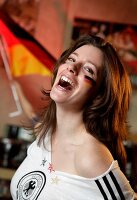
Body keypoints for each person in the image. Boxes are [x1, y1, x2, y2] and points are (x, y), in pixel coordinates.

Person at [10, 34, 137, 199]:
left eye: (88, 69)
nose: (72, 67)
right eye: (71, 59)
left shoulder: (89, 155)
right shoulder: (44, 133)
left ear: (99, 96)